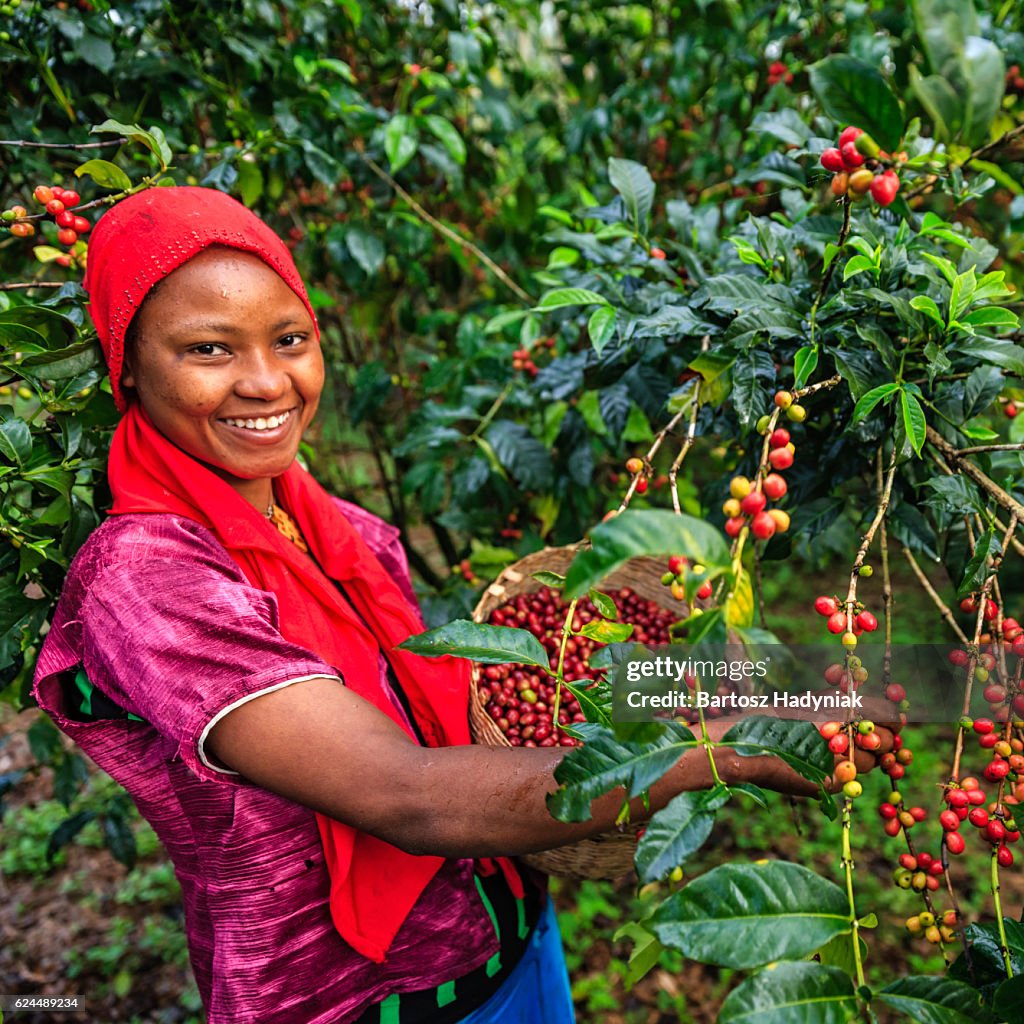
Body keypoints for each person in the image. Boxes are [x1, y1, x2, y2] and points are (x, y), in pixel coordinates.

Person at [32, 187, 895, 1024]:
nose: (266, 382)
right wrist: (734, 750)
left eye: (289, 339)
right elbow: (406, 792)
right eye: (209, 350)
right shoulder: (147, 584)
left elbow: (522, 702)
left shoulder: (335, 527)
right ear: (130, 368)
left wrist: (795, 696)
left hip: (513, 936)